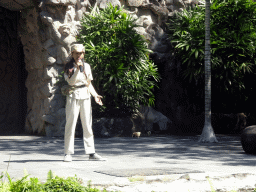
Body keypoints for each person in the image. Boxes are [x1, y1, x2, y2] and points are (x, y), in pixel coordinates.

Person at [63, 44, 106, 162]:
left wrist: (95, 95)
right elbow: (71, 82)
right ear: (72, 54)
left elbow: (88, 83)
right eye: (76, 53)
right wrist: (77, 69)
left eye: (81, 53)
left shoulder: (86, 66)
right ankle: (68, 153)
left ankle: (91, 152)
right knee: (70, 124)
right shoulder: (69, 66)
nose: (79, 55)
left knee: (87, 124)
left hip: (85, 96)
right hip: (73, 95)